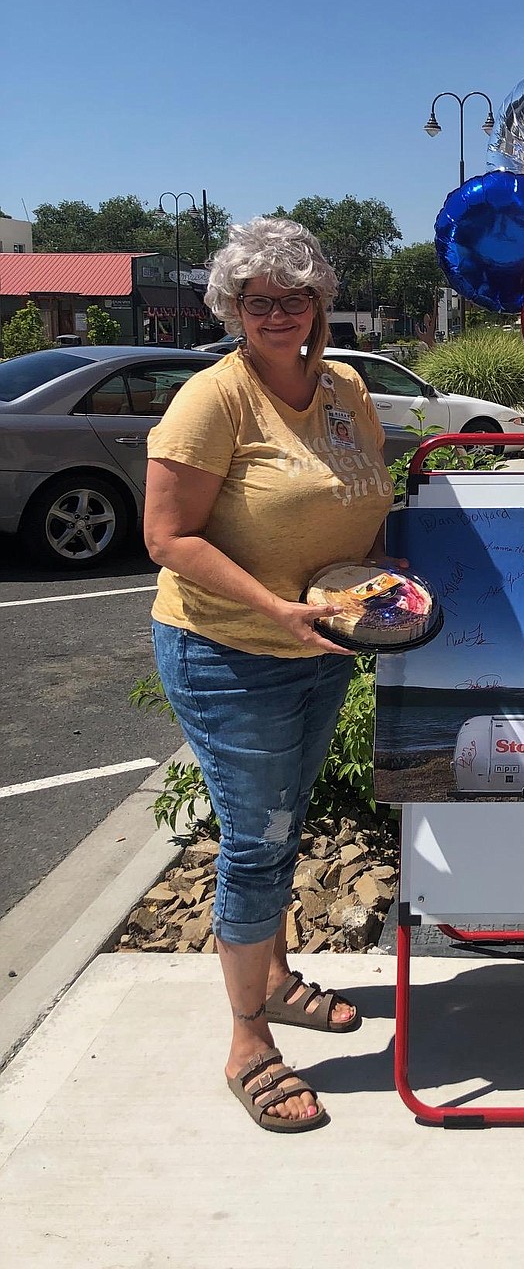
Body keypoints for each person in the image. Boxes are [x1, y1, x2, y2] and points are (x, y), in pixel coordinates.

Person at [144, 217, 395, 1133]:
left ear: (320, 302)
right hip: (230, 655)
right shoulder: (212, 399)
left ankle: (278, 980)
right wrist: (276, 605)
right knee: (258, 842)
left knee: (287, 824)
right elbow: (166, 537)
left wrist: (376, 589)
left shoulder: (344, 386)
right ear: (234, 310)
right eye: (259, 302)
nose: (279, 313)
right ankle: (249, 1037)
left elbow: (371, 491)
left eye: (294, 297)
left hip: (322, 648)